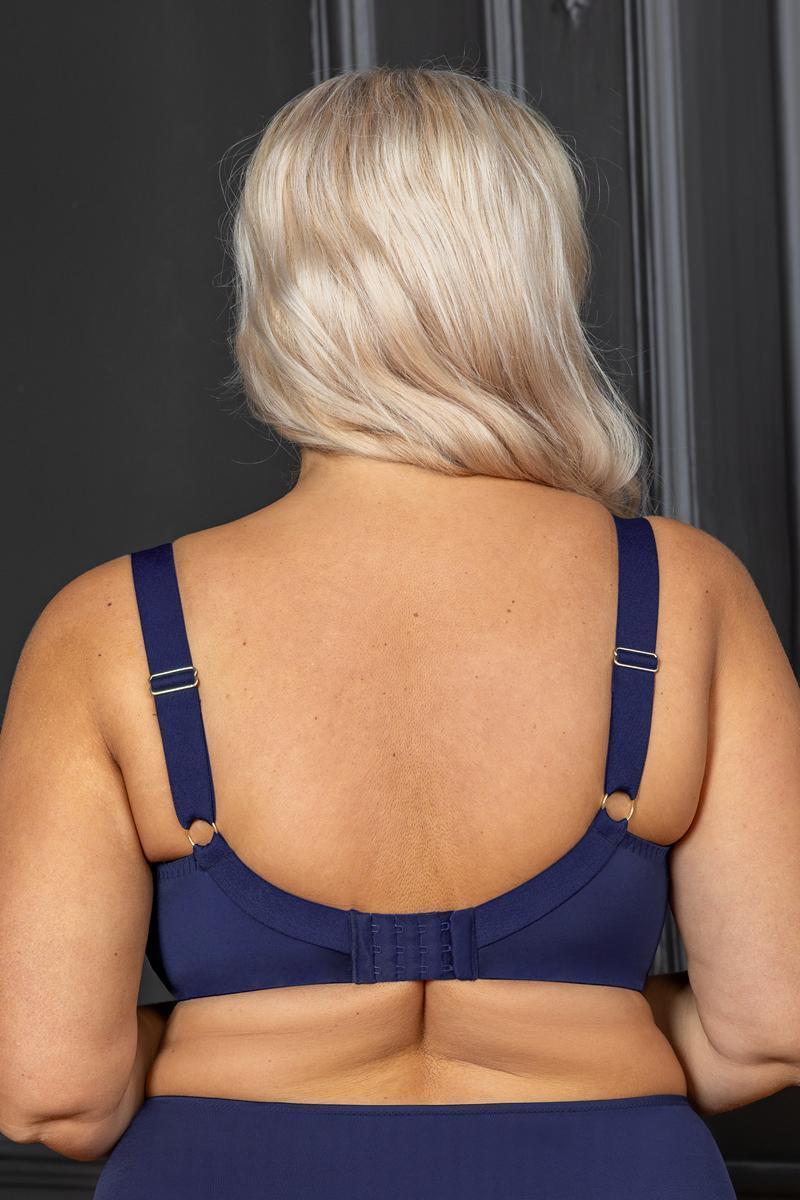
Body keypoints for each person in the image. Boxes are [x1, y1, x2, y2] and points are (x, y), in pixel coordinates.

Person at [1, 66, 798, 1200]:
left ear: (277, 289)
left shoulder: (113, 627)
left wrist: (251, 1032)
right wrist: (568, 1027)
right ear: (533, 281)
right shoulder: (683, 592)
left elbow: (55, 1092)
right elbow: (765, 1030)